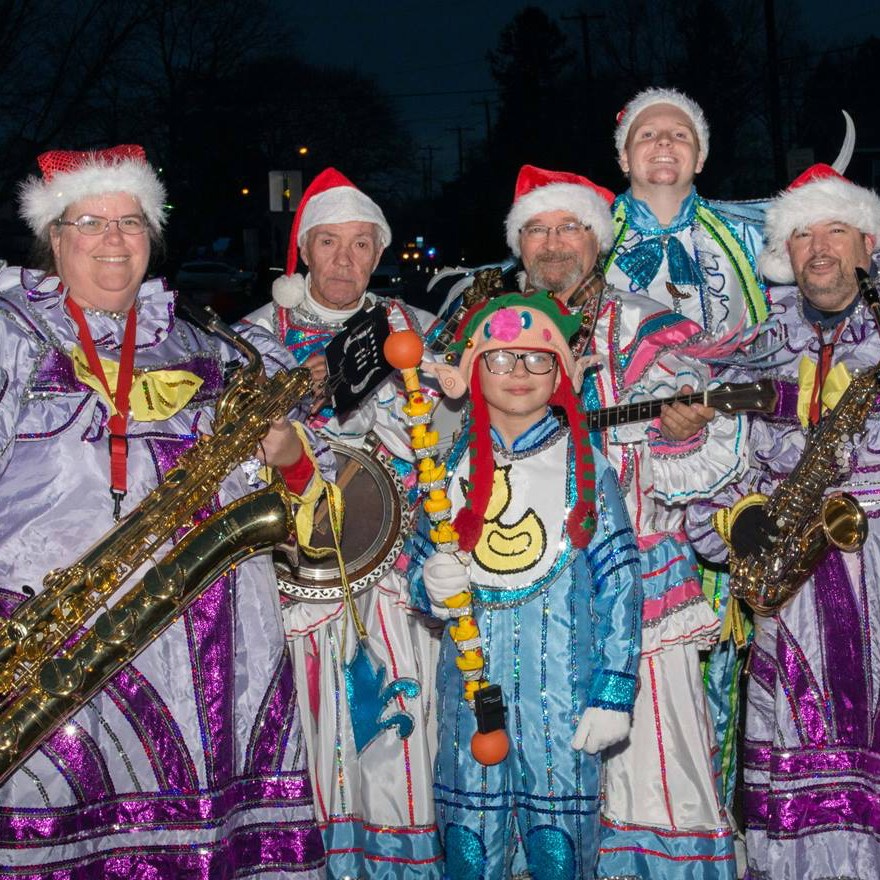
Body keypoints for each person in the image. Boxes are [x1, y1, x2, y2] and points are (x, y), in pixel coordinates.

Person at [0, 145, 329, 876]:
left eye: (133, 222)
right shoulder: (13, 334)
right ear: (54, 237)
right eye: (92, 222)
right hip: (59, 651)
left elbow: (328, 496)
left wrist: (289, 456)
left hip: (216, 660)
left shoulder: (209, 343)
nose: (115, 241)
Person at [505, 165, 746, 878]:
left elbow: (720, 449)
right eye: (538, 229)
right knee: (538, 777)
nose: (554, 244)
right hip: (522, 594)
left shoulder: (650, 324)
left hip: (637, 588)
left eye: (570, 226)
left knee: (659, 778)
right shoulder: (490, 334)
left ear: (599, 240)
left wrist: (678, 435)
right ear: (519, 244)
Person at [246, 168, 443, 879]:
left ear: (379, 251)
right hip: (301, 585)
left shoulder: (412, 331)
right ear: (304, 250)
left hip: (397, 577)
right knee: (318, 737)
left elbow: (450, 439)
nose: (345, 260)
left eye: (362, 244)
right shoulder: (256, 340)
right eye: (328, 243)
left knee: (400, 738)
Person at [686, 163, 880, 880]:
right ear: (784, 255)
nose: (820, 248)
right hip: (796, 582)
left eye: (836, 230)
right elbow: (713, 462)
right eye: (802, 235)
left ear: (867, 243)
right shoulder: (757, 346)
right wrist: (735, 521)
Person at [406, 291, 642, 879]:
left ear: (560, 372)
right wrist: (427, 585)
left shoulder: (587, 467)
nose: (518, 373)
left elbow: (620, 583)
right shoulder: (443, 470)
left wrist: (614, 692)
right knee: (467, 846)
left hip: (563, 705)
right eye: (501, 358)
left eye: (537, 359)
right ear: (472, 372)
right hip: (468, 702)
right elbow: (416, 571)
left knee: (560, 849)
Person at [607, 87, 773, 814]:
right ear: (624, 155)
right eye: (649, 135)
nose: (664, 145)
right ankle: (628, 814)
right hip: (621, 482)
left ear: (701, 153)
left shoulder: (752, 237)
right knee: (628, 648)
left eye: (680, 134)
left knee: (722, 647)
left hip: (728, 472)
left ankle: (710, 812)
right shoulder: (584, 234)